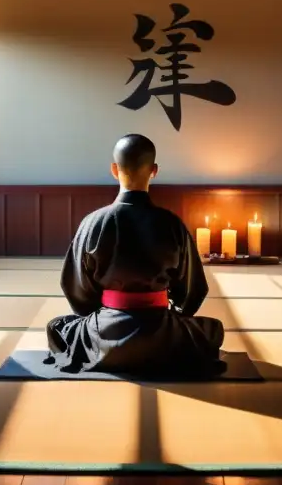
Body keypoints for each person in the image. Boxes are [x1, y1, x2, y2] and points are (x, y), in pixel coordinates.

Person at [45, 134, 225, 376]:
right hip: (164, 335)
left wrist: (100, 315)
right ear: (154, 171)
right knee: (213, 330)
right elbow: (192, 290)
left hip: (106, 335)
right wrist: (175, 314)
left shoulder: (93, 222)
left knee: (57, 327)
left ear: (113, 169)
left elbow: (75, 286)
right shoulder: (171, 224)